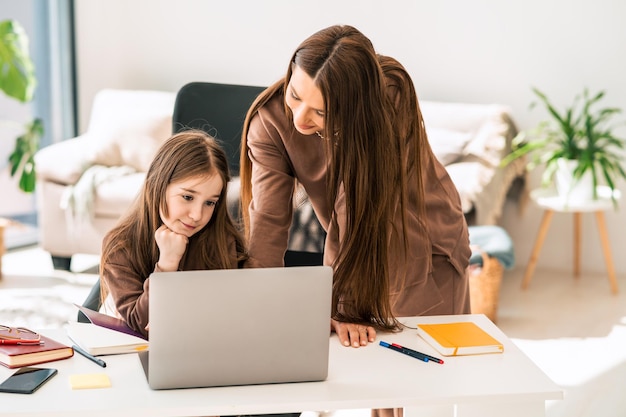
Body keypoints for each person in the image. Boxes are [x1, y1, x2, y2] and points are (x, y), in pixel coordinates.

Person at [240, 25, 471, 351]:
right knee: (374, 379)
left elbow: (357, 204)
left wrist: (340, 304)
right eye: (295, 95)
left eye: (322, 111)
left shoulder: (390, 92)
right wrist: (253, 306)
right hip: (359, 248)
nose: (300, 120)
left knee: (423, 378)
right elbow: (267, 219)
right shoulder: (270, 122)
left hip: (426, 242)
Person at [100, 129, 247, 338]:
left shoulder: (223, 241)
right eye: (187, 197)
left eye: (209, 202)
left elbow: (228, 320)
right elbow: (141, 325)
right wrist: (167, 265)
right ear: (157, 185)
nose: (197, 215)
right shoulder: (120, 244)